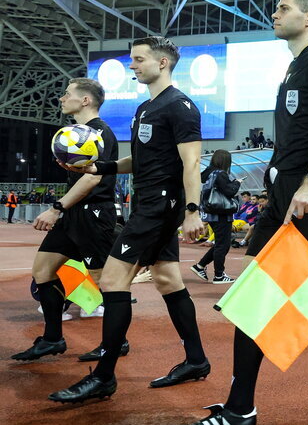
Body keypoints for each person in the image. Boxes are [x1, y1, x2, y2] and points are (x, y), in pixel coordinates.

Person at [172, 0, 308, 425]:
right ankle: (239, 409)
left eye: (284, 7)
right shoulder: (293, 65)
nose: (274, 11)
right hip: (285, 193)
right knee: (254, 295)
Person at [48, 37, 209, 403]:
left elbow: (192, 162)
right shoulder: (144, 108)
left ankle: (104, 376)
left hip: (160, 206)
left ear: (163, 63)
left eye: (139, 60)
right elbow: (138, 162)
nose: (133, 66)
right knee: (168, 279)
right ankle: (196, 360)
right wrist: (99, 166)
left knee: (114, 279)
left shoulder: (180, 106)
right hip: (148, 202)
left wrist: (193, 209)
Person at [11, 78, 123, 362]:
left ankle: (116, 342)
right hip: (74, 215)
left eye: (67, 94)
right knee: (43, 271)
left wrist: (56, 208)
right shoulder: (77, 133)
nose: (61, 98)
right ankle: (52, 339)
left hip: (94, 215)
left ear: (85, 100)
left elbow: (92, 177)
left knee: (104, 282)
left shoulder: (100, 133)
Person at [191, 150, 241, 284]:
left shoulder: (208, 173)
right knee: (223, 245)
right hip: (221, 213)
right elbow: (230, 191)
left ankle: (200, 266)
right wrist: (237, 182)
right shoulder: (221, 174)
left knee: (220, 244)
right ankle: (219, 275)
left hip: (211, 212)